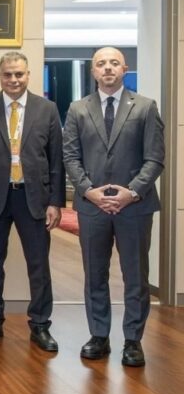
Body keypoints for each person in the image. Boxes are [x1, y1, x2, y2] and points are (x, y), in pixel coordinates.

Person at [63, 46, 164, 367]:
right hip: (92, 206)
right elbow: (70, 156)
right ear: (93, 71)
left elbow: (155, 158)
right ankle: (99, 335)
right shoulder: (78, 109)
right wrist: (88, 191)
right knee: (95, 274)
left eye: (114, 63)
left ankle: (133, 340)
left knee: (135, 276)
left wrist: (131, 192)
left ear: (124, 69)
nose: (107, 68)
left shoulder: (145, 107)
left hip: (134, 207)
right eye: (101, 63)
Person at [0, 52, 63, 351]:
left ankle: (40, 325)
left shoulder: (47, 109)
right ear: (0, 76)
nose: (13, 79)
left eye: (19, 74)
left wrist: (55, 202)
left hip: (34, 199)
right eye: (8, 74)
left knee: (39, 265)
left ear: (28, 75)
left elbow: (56, 160)